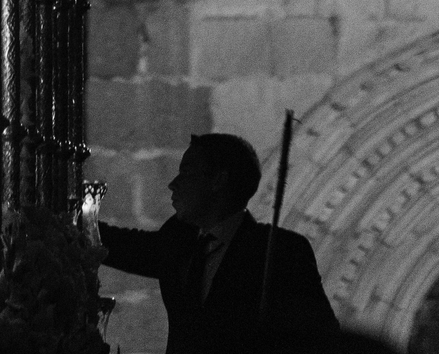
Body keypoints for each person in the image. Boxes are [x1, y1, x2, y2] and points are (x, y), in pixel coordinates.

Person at [100, 133, 338, 353]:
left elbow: (322, 339)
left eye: (187, 173)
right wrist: (76, 222)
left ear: (218, 181)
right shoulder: (180, 238)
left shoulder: (281, 252)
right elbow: (127, 247)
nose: (173, 184)